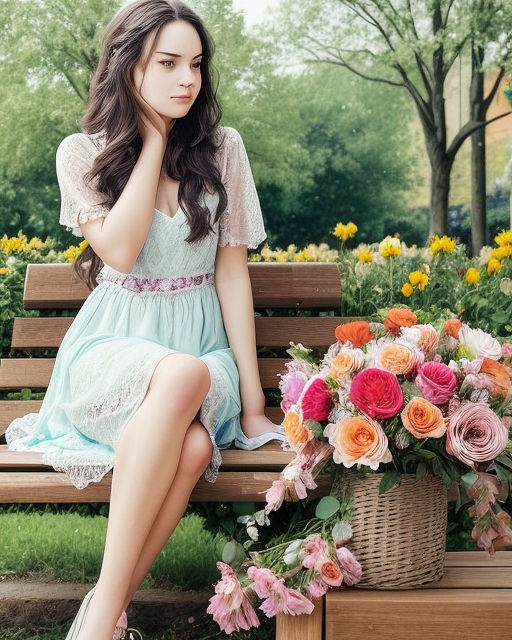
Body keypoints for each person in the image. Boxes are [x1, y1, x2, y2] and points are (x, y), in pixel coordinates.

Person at [4, 1, 287, 638]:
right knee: (181, 393)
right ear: (130, 69)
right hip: (112, 352)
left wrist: (250, 404)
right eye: (168, 64)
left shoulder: (223, 148)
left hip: (199, 350)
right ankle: (107, 615)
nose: (187, 79)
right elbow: (122, 251)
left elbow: (231, 275)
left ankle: (99, 616)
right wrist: (153, 140)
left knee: (194, 438)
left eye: (196, 64)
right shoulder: (82, 153)